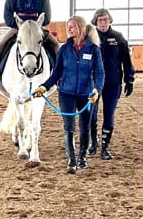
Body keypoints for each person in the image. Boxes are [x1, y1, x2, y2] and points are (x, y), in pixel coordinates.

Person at [33, 16, 104, 174]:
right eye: (68, 26)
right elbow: (56, 73)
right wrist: (44, 87)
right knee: (69, 127)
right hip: (66, 93)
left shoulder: (93, 50)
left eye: (72, 26)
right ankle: (71, 160)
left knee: (85, 127)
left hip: (87, 94)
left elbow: (100, 73)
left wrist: (97, 90)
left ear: (81, 27)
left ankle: (82, 157)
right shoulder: (64, 50)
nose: (69, 29)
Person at [89, 9, 135, 160]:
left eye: (105, 20)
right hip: (93, 83)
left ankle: (105, 147)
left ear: (110, 21)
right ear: (95, 21)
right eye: (100, 20)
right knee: (91, 115)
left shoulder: (118, 38)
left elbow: (126, 60)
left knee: (109, 116)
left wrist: (129, 79)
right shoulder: (89, 37)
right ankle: (93, 142)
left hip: (112, 82)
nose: (103, 23)